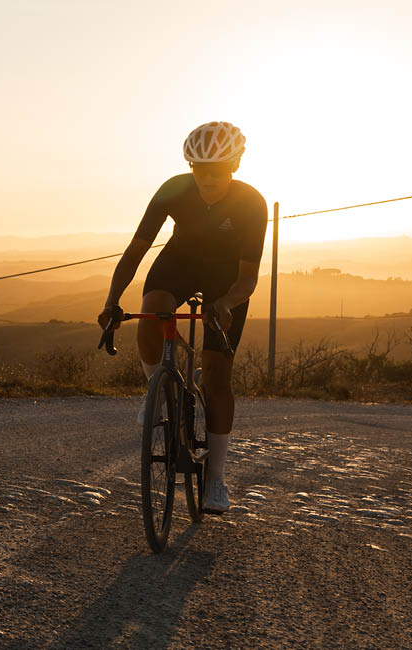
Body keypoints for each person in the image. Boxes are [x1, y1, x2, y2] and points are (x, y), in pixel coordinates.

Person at [97, 121, 267, 513]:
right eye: (200, 169)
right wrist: (111, 300)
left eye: (218, 169)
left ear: (235, 165)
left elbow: (248, 277)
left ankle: (216, 480)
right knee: (152, 312)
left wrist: (226, 303)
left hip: (227, 279)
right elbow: (136, 251)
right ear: (190, 167)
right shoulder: (173, 190)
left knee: (218, 376)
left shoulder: (251, 202)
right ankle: (158, 387)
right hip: (179, 265)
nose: (208, 177)